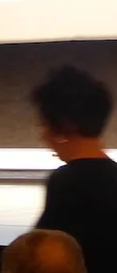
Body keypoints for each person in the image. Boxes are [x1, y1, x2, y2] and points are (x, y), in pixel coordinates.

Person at [31, 65, 117, 273]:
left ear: (63, 126)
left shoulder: (65, 182)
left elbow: (39, 252)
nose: (43, 136)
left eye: (44, 125)